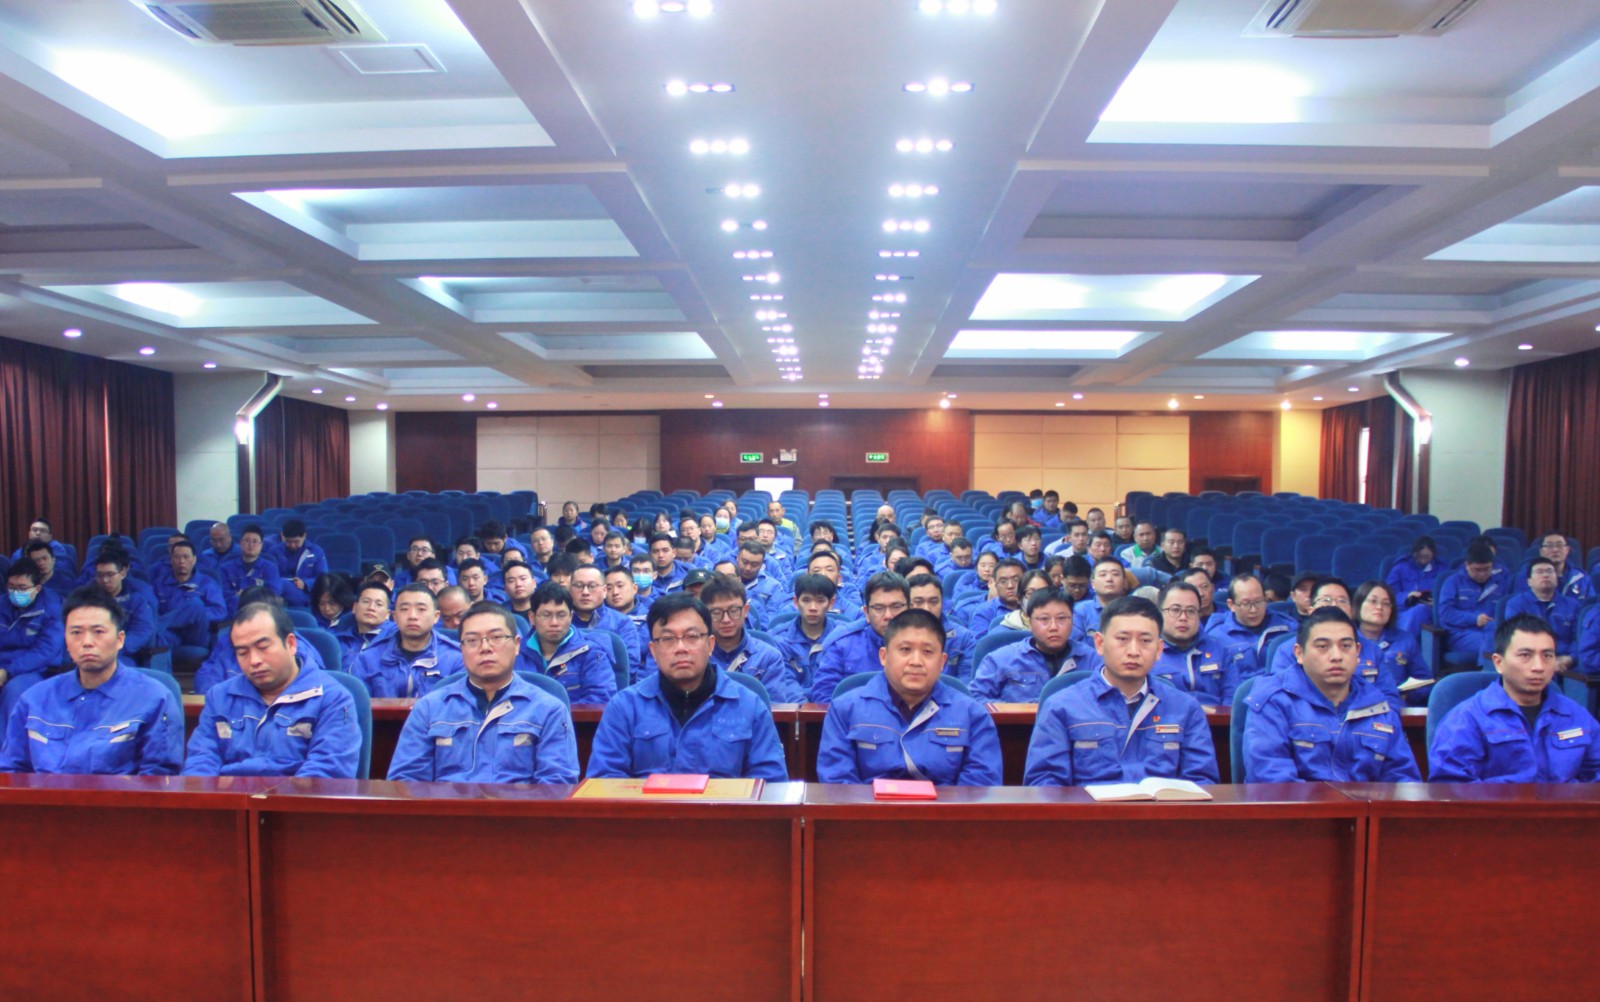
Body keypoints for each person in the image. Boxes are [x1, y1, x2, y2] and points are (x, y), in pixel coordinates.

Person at [587, 591, 787, 780]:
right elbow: (603, 782)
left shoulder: (749, 706)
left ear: (710, 644)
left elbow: (770, 783)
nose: (681, 648)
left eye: (692, 637)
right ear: (653, 650)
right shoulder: (624, 707)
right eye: (668, 639)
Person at [1023, 595, 1218, 787]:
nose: (1133, 651)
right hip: (1089, 808)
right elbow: (1044, 785)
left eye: (1145, 641)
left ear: (1159, 649)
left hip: (1164, 808)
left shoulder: (1185, 708)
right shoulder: (1061, 706)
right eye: (1123, 639)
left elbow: (1203, 783)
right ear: (1099, 643)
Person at [387, 601, 579, 784]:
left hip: (519, 807)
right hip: (445, 806)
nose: (485, 648)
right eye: (472, 640)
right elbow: (405, 782)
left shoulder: (549, 710)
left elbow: (557, 785)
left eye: (496, 638)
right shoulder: (429, 708)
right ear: (461, 649)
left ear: (517, 645)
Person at [0, 588, 178, 775]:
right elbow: (11, 770)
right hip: (43, 794)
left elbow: (158, 778)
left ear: (120, 639)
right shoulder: (34, 700)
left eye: (98, 632)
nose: (87, 642)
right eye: (76, 632)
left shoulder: (153, 698)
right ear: (66, 641)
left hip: (117, 794)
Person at [816, 608, 1001, 785]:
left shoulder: (972, 714)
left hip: (946, 808)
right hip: (867, 807)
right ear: (884, 656)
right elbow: (837, 783)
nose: (916, 662)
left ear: (942, 662)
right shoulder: (844, 709)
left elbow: (981, 786)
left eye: (927, 652)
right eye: (905, 650)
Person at [182, 601, 361, 778]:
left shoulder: (333, 699)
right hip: (226, 796)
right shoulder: (220, 697)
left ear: (291, 644)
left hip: (295, 795)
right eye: (242, 653)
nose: (254, 660)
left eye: (263, 648)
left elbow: (326, 773)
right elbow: (200, 761)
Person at [1241, 607, 1420, 782]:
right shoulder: (1274, 701)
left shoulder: (1378, 706)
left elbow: (1403, 779)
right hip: (1298, 802)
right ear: (1299, 653)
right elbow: (1272, 780)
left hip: (1367, 802)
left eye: (1346, 646)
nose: (1336, 656)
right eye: (1323, 646)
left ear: (1358, 652)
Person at [1429, 614, 1600, 783]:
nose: (1538, 667)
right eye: (1525, 655)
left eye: (1547, 656)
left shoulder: (1576, 715)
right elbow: (1451, 788)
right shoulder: (1468, 718)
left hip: (1566, 802)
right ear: (1498, 663)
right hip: (1494, 802)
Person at [970, 587, 1098, 702]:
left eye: (1061, 618)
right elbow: (975, 697)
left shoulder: (1092, 659)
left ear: (1072, 620)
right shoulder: (1001, 659)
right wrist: (1015, 711)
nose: (1053, 627)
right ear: (1029, 622)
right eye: (1044, 619)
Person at [351, 584, 465, 698]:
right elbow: (360, 705)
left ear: (436, 616)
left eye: (421, 609)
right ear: (394, 617)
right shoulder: (367, 658)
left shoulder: (457, 658)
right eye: (405, 609)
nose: (412, 616)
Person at [810, 572, 910, 702]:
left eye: (896, 607)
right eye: (878, 608)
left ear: (909, 608)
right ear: (866, 613)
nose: (888, 616)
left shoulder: (926, 646)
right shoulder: (843, 646)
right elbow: (823, 697)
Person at [514, 581, 618, 705]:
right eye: (546, 615)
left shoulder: (591, 652)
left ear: (571, 616)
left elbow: (601, 698)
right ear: (532, 618)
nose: (554, 622)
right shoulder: (515, 653)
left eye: (561, 615)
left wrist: (557, 713)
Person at [0, 561, 66, 735]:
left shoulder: (53, 608)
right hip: (3, 666)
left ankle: (8, 748)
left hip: (37, 670)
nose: (16, 593)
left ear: (37, 588)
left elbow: (45, 651)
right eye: (11, 587)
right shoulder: (2, 604)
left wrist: (8, 671)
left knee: (13, 691)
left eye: (22, 588)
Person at [1148, 580, 1229, 708]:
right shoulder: (1147, 651)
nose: (1183, 617)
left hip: (1216, 718)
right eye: (1175, 610)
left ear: (1199, 615)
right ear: (1159, 614)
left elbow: (1232, 698)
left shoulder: (1219, 648)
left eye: (1191, 611)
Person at [1207, 574, 1296, 684]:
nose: (1253, 610)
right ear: (1231, 605)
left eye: (1258, 601)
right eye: (1246, 603)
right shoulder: (1216, 637)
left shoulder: (1287, 628)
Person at [1352, 580, 1430, 703]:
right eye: (1373, 601)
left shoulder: (1405, 640)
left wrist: (1408, 695)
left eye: (1386, 603)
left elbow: (1425, 681)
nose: (1379, 607)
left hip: (1395, 706)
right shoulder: (1346, 640)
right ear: (1358, 604)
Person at [1437, 542, 1508, 666]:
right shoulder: (1452, 582)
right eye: (1477, 570)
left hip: (1492, 631)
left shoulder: (1500, 583)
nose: (1482, 574)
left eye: (1487, 569)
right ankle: (1486, 673)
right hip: (1461, 634)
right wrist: (1474, 619)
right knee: (1494, 645)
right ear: (1467, 565)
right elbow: (1445, 613)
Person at [1503, 557, 1581, 669]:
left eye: (1549, 571)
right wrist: (1545, 660)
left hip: (1565, 662)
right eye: (1539, 572)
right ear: (1529, 581)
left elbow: (1578, 637)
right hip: (1530, 661)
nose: (1545, 575)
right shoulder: (1516, 604)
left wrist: (1570, 658)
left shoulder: (1573, 605)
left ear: (1556, 578)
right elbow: (1517, 638)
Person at [152, 538, 227, 653]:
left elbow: (220, 611)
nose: (181, 561)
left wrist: (190, 615)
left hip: (196, 633)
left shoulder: (207, 583)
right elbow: (152, 609)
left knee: (195, 605)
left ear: (194, 559)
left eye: (186, 557)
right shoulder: (160, 583)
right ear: (171, 560)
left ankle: (155, 627)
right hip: (171, 632)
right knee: (157, 639)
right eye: (177, 557)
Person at [770, 573, 839, 694]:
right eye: (806, 600)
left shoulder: (842, 637)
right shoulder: (779, 639)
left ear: (831, 603)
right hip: (793, 704)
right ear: (796, 602)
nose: (813, 607)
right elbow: (785, 684)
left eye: (820, 601)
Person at [568, 564, 642, 673]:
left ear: (604, 591)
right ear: (570, 590)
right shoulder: (562, 622)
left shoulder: (621, 623)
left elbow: (629, 665)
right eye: (579, 586)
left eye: (592, 586)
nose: (585, 592)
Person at [906, 572, 977, 682]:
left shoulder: (963, 637)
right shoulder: (894, 635)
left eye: (933, 602)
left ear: (942, 603)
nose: (927, 608)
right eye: (919, 602)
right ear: (907, 604)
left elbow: (965, 684)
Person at [88, 550, 156, 658]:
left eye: (110, 574)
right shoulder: (87, 600)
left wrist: (115, 648)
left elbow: (141, 631)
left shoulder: (136, 600)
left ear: (123, 573)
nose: (105, 580)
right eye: (100, 575)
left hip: (123, 653)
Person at [218, 526, 282, 615]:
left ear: (261, 545)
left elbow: (273, 593)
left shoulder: (270, 568)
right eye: (247, 540)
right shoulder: (225, 568)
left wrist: (247, 595)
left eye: (255, 541)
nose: (251, 545)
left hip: (261, 611)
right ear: (240, 543)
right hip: (232, 612)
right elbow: (222, 592)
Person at [1386, 535, 1442, 635]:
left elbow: (1447, 592)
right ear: (1414, 553)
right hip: (1404, 610)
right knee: (1418, 611)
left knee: (1422, 610)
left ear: (1433, 555)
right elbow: (1389, 594)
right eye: (1420, 556)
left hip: (1432, 611)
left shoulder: (1441, 569)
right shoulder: (1400, 567)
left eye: (1427, 556)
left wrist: (1438, 602)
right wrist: (1407, 596)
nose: (1423, 560)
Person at [268, 519, 328, 609]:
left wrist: (306, 583)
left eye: (296, 542)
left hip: (305, 592)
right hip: (279, 589)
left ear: (304, 536)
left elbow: (323, 578)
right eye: (288, 542)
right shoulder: (274, 551)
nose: (292, 545)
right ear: (282, 536)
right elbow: (270, 574)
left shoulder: (316, 552)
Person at [968, 558, 1025, 636]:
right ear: (996, 585)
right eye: (1003, 581)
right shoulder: (984, 611)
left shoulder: (1034, 607)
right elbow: (981, 642)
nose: (1010, 586)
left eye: (1016, 580)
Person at [10, 518, 75, 578]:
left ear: (50, 536)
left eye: (43, 531)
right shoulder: (19, 552)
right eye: (35, 530)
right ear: (29, 534)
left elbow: (62, 570)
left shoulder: (56, 548)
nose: (38, 533)